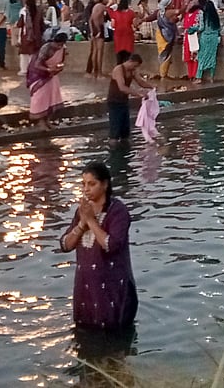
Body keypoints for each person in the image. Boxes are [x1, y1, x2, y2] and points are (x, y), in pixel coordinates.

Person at [60, 162, 138, 332]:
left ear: (105, 184)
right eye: (84, 184)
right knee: (84, 339)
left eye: (92, 184)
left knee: (114, 344)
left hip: (113, 292)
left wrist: (91, 221)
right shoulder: (83, 211)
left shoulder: (118, 212)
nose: (86, 189)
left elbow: (111, 245)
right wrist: (82, 224)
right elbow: (65, 245)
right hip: (85, 291)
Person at [107, 52, 156, 143]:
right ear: (130, 61)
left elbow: (140, 82)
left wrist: (152, 87)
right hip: (114, 102)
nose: (135, 68)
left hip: (124, 102)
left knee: (125, 130)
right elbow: (122, 87)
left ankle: (124, 150)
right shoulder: (119, 69)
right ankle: (114, 151)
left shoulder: (132, 71)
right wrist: (138, 93)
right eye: (134, 66)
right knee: (115, 130)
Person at [28, 32, 68, 129]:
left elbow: (62, 61)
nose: (59, 47)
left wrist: (58, 68)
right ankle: (41, 122)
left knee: (51, 98)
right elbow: (37, 64)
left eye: (61, 45)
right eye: (58, 45)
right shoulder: (46, 48)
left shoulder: (63, 48)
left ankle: (47, 120)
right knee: (40, 98)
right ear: (54, 42)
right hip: (39, 75)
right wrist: (48, 70)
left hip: (52, 76)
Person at [188, 0, 222, 84]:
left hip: (205, 37)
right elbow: (219, 28)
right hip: (214, 38)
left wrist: (192, 29)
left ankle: (199, 78)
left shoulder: (202, 14)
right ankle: (211, 77)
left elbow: (201, 27)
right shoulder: (215, 16)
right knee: (212, 57)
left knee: (201, 56)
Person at [86, 0, 108, 79]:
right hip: (99, 28)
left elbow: (90, 19)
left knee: (95, 52)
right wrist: (98, 30)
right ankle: (99, 73)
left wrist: (92, 31)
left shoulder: (95, 6)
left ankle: (95, 73)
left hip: (94, 29)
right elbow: (95, 18)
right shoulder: (102, 7)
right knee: (100, 52)